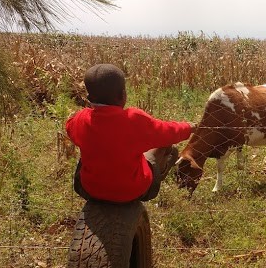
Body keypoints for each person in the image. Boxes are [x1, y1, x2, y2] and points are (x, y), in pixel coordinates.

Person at [66, 63, 195, 204]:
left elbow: (69, 126)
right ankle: (159, 175)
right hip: (132, 190)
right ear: (123, 95)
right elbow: (169, 132)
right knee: (166, 148)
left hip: (91, 188)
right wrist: (189, 127)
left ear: (88, 97)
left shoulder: (80, 119)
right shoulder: (134, 119)